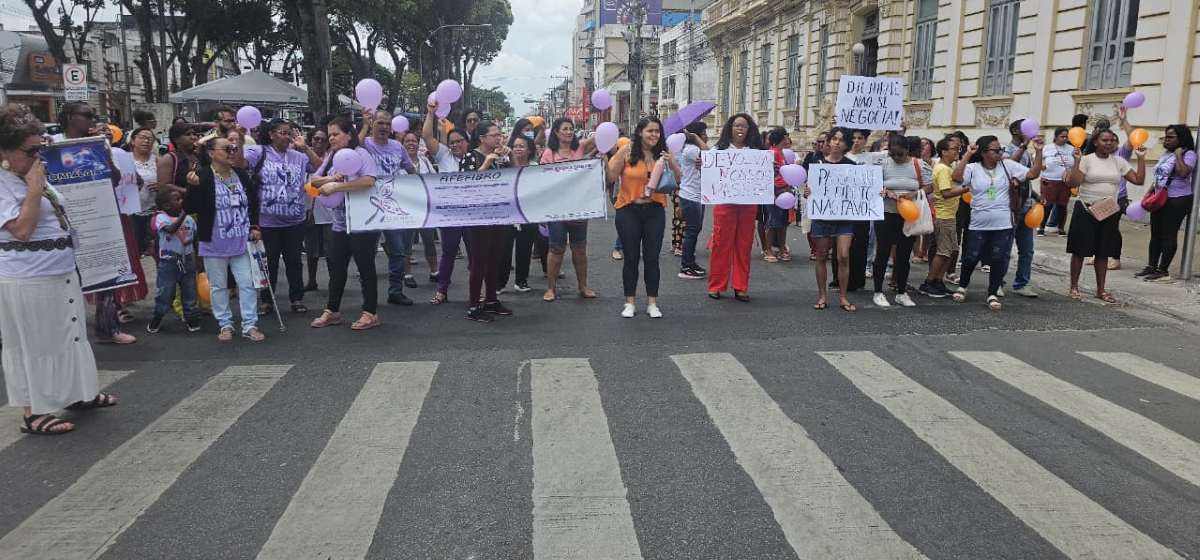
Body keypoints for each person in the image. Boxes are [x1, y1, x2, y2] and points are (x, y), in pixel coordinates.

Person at [0, 104, 119, 436]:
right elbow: (22, 230)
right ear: (5, 150)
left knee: (69, 336)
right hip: (27, 277)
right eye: (31, 150)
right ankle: (34, 411)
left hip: (59, 270)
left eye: (41, 147)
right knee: (35, 344)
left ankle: (78, 393)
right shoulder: (8, 182)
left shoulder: (28, 173)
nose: (38, 156)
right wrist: (35, 187)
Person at [54, 101, 147, 343]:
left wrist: (104, 153)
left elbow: (115, 179)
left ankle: (108, 328)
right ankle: (63, 330)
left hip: (97, 217)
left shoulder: (99, 146)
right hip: (63, 221)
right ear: (70, 117)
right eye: (87, 115)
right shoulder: (52, 144)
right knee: (64, 277)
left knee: (105, 272)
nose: (93, 120)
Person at [184, 131, 265, 341]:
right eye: (226, 149)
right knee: (219, 286)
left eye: (234, 148)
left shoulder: (241, 174)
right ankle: (225, 324)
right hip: (214, 240)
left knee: (247, 283)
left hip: (241, 239)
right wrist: (192, 189)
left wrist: (255, 225)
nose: (232, 152)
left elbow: (254, 202)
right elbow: (191, 207)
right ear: (211, 153)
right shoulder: (202, 176)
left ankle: (250, 324)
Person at [952, 135, 1043, 310]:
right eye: (995, 150)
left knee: (998, 258)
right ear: (984, 152)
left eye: (1000, 149)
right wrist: (968, 155)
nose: (1000, 152)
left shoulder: (1007, 165)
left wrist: (1038, 153)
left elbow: (1032, 174)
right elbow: (956, 178)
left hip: (1003, 223)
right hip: (978, 223)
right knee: (971, 256)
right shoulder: (972, 168)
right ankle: (963, 285)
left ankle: (992, 292)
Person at [308, 116, 381, 330]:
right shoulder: (332, 156)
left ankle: (370, 312)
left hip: (362, 222)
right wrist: (333, 179)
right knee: (337, 267)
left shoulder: (361, 154)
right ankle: (332, 310)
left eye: (336, 134)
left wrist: (338, 186)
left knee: (365, 267)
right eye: (329, 134)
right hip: (339, 223)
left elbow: (369, 181)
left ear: (349, 134)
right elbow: (314, 180)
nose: (331, 138)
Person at [245, 119, 322, 315]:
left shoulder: (298, 156)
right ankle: (266, 300)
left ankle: (296, 298)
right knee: (268, 262)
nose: (287, 137)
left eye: (289, 133)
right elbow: (239, 163)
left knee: (294, 261)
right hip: (267, 221)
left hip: (295, 220)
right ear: (271, 134)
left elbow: (320, 167)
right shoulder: (259, 152)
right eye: (282, 132)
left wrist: (305, 148)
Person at [1064, 130, 1144, 303]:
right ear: (1095, 142)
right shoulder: (1086, 160)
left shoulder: (1119, 162)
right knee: (1079, 250)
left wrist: (1141, 158)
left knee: (1103, 251)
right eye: (1105, 140)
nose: (1109, 143)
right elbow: (1073, 183)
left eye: (1112, 140)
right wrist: (1077, 161)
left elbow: (1138, 180)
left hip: (1108, 211)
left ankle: (1101, 290)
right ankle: (1074, 286)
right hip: (1086, 209)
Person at [607, 116, 676, 318]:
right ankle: (630, 302)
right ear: (640, 132)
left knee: (652, 257)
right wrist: (604, 157)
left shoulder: (663, 154)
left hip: (654, 210)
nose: (654, 135)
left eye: (657, 131)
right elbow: (611, 177)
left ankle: (652, 303)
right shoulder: (627, 151)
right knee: (631, 257)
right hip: (628, 210)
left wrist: (672, 163)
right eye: (650, 131)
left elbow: (678, 180)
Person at [358, 110, 419, 306]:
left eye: (387, 124)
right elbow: (352, 147)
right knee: (367, 252)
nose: (384, 127)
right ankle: (369, 296)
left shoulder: (397, 147)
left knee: (399, 250)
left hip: (393, 205)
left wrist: (415, 186)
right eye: (380, 123)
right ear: (373, 124)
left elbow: (410, 169)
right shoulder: (365, 144)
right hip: (368, 205)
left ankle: (395, 291)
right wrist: (365, 125)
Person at [457, 114, 513, 323]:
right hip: (478, 216)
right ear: (482, 138)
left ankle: (491, 300)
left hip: (498, 214)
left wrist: (510, 157)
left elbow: (515, 178)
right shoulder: (471, 157)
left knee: (494, 259)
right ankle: (474, 305)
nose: (499, 139)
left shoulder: (501, 156)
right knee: (479, 261)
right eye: (494, 135)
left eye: (500, 135)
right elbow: (465, 186)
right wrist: (487, 163)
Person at [707, 113, 763, 302]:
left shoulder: (757, 150)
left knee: (744, 245)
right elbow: (710, 173)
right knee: (721, 244)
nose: (740, 129)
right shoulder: (719, 149)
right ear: (730, 128)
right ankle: (716, 285)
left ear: (750, 130)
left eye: (744, 126)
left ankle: (741, 286)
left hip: (748, 205)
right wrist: (702, 166)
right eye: (736, 125)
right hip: (725, 204)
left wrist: (772, 168)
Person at [872, 134, 933, 308]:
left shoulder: (918, 164)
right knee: (882, 252)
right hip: (886, 213)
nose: (897, 158)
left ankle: (901, 292)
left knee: (904, 254)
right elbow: (874, 184)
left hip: (908, 215)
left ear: (908, 150)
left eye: (900, 154)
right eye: (893, 154)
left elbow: (930, 185)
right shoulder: (882, 163)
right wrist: (886, 192)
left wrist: (914, 194)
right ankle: (878, 291)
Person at [541, 117, 598, 301]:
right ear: (556, 132)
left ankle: (583, 286)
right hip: (557, 209)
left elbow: (599, 138)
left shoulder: (580, 147)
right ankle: (551, 288)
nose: (568, 132)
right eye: (564, 129)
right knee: (556, 249)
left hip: (579, 208)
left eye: (571, 128)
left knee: (579, 249)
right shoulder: (549, 154)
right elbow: (542, 179)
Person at [804, 128, 859, 311]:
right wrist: (808, 192)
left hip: (844, 217)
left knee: (843, 255)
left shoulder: (851, 166)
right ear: (829, 141)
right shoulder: (817, 164)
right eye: (834, 139)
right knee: (821, 256)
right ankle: (822, 296)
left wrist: (877, 192)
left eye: (841, 140)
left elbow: (859, 191)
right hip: (822, 215)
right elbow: (809, 190)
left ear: (846, 144)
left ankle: (843, 297)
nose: (836, 143)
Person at [423, 107, 472, 306]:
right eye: (452, 142)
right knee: (449, 253)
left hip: (473, 216)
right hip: (450, 215)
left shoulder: (476, 158)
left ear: (467, 142)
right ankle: (442, 290)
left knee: (475, 254)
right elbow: (426, 135)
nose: (455, 145)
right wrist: (430, 113)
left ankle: (477, 291)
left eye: (459, 141)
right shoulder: (444, 156)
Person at [1138, 124, 1195, 280]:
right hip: (1159, 197)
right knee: (1155, 234)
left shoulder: (1188, 154)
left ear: (1181, 138)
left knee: (1169, 235)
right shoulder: (1165, 154)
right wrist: (1149, 192)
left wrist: (1178, 156)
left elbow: (1183, 173)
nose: (1167, 140)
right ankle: (1151, 266)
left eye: (1171, 137)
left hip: (1177, 199)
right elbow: (1159, 176)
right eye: (1166, 137)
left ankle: (1163, 270)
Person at [147, 189, 200, 333]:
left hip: (188, 259)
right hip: (169, 261)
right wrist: (184, 214)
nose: (181, 201)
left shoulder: (189, 219)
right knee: (165, 292)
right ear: (166, 206)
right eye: (177, 199)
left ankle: (192, 319)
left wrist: (198, 259)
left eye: (182, 198)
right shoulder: (161, 218)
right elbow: (170, 229)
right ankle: (157, 318)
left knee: (190, 291)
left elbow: (194, 238)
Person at [919, 137, 967, 298]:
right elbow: (946, 193)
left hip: (950, 216)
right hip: (943, 216)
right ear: (944, 152)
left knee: (952, 250)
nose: (956, 152)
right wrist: (965, 190)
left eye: (958, 149)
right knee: (943, 252)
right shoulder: (943, 169)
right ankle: (929, 282)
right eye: (953, 149)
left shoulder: (947, 167)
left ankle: (939, 281)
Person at [1003, 119, 1046, 298]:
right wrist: (1023, 146)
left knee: (1027, 250)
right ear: (1015, 131)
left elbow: (1027, 178)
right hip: (1010, 207)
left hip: (1027, 206)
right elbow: (1008, 167)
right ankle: (998, 282)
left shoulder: (1028, 152)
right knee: (1004, 248)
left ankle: (1022, 283)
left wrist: (1036, 196)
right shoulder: (1005, 149)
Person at [497, 134, 540, 293]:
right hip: (507, 214)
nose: (517, 149)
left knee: (525, 249)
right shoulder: (504, 165)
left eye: (521, 146)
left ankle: (521, 281)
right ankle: (499, 283)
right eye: (515, 146)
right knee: (504, 250)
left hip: (528, 214)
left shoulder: (535, 167)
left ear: (529, 150)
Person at [400, 128, 439, 283]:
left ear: (418, 144)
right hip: (406, 209)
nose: (411, 143)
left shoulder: (424, 161)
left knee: (429, 240)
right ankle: (407, 274)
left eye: (414, 141)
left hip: (425, 208)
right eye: (407, 141)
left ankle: (434, 271)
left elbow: (434, 179)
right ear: (402, 145)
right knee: (406, 242)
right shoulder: (398, 163)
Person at [677, 121, 708, 279]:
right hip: (691, 196)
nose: (706, 136)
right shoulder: (692, 149)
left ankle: (690, 261)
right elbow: (709, 154)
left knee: (695, 230)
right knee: (692, 231)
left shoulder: (694, 149)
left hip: (696, 195)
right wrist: (696, 138)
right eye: (703, 133)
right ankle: (686, 266)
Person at [303, 126, 333, 291]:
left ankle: (333, 281)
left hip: (329, 213)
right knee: (311, 250)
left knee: (331, 251)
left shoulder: (331, 159)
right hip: (310, 212)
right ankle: (312, 281)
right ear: (311, 140)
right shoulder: (301, 160)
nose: (319, 142)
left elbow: (320, 171)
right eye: (316, 139)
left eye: (323, 139)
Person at [128, 127, 160, 256]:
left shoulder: (158, 160)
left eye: (149, 138)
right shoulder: (125, 159)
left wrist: (160, 185)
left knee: (155, 249)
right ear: (132, 141)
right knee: (135, 250)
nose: (146, 141)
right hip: (132, 214)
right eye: (142, 137)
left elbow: (166, 181)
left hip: (154, 211)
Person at [763, 127, 792, 262]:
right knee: (772, 220)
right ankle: (768, 249)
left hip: (784, 189)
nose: (788, 139)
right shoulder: (772, 152)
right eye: (786, 136)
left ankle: (781, 249)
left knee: (783, 221)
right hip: (774, 190)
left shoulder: (782, 153)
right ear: (782, 138)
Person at [1039, 127, 1073, 236]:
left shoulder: (1071, 149)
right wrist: (1042, 166)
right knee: (1046, 205)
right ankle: (1041, 227)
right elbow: (1037, 160)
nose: (1064, 139)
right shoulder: (1047, 148)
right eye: (1062, 136)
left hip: (1065, 182)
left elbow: (1077, 163)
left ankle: (1061, 228)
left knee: (1062, 206)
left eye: (1066, 137)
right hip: (1049, 181)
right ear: (1056, 137)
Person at [158, 121, 201, 194]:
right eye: (188, 134)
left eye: (194, 134)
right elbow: (164, 186)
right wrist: (190, 192)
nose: (193, 137)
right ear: (176, 139)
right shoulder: (169, 158)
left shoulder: (198, 156)